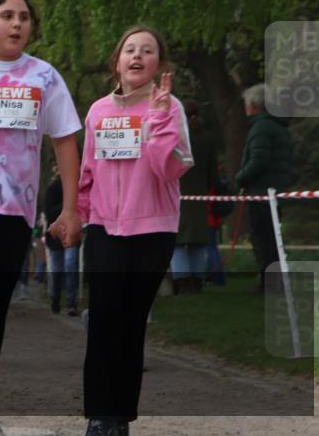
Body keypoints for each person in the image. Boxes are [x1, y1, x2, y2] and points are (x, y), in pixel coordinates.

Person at [0, 0, 82, 436]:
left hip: (16, 211)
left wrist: (70, 208)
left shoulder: (44, 76)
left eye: (24, 17)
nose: (17, 23)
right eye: (6, 15)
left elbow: (64, 140)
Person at [77, 26, 193, 436]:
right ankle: (99, 416)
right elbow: (87, 171)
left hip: (152, 230)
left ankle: (120, 416)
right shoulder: (97, 111)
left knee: (130, 322)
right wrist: (77, 215)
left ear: (159, 64)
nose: (138, 56)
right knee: (103, 320)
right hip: (104, 229)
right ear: (117, 61)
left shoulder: (170, 107)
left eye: (147, 50)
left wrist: (158, 119)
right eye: (130, 49)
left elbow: (171, 168)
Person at [235, 83, 295, 293]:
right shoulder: (277, 126)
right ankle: (275, 281)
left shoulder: (261, 127)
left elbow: (258, 161)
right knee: (273, 238)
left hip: (261, 192)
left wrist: (240, 178)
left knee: (263, 239)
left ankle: (269, 283)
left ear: (253, 105)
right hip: (275, 190)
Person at [173, 101, 217, 295]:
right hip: (199, 195)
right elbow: (212, 173)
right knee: (198, 240)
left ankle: (182, 282)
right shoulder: (207, 138)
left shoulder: (175, 137)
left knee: (178, 241)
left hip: (176, 193)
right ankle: (198, 281)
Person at [44, 166, 81, 316]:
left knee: (70, 266)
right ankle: (56, 299)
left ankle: (71, 303)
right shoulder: (52, 188)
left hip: (71, 233)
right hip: (56, 235)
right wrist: (66, 208)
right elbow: (48, 211)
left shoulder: (77, 187)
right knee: (57, 269)